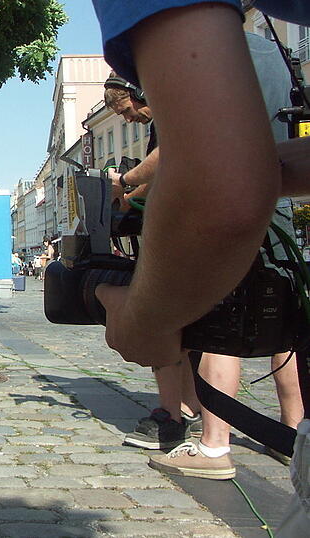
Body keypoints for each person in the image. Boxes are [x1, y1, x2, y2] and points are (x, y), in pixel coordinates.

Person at [90, 1, 310, 532]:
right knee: (285, 321)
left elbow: (215, 180)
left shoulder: (211, 37)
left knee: (222, 323)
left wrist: (146, 319)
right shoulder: (274, 52)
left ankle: (214, 445)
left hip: (248, 225)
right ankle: (294, 432)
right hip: (281, 217)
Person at [102, 72, 203, 451]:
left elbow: (170, 158)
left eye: (126, 110)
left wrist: (123, 182)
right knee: (193, 331)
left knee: (166, 322)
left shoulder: (174, 116)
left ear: (140, 92)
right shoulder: (175, 113)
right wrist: (131, 196)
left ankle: (172, 415)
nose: (127, 119)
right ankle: (191, 408)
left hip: (181, 233)